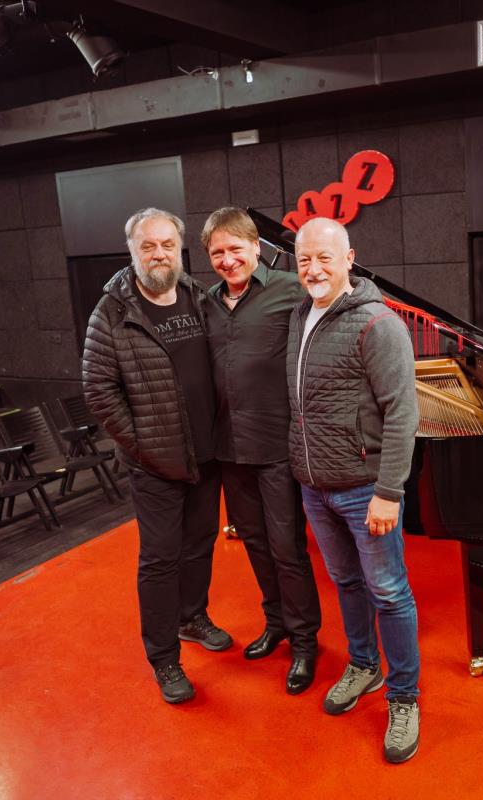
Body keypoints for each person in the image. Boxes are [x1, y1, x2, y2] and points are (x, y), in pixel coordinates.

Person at [82, 207, 232, 705]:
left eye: (167, 244)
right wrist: (144, 446)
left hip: (206, 454)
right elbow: (99, 391)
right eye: (148, 246)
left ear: (179, 248)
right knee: (161, 560)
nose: (159, 254)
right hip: (154, 464)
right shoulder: (111, 312)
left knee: (200, 544)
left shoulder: (197, 296)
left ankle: (193, 616)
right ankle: (165, 658)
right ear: (132, 252)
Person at [286, 216, 422, 763]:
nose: (313, 269)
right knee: (345, 581)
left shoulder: (378, 324)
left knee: (389, 592)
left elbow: (402, 412)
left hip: (365, 490)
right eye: (304, 260)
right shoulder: (300, 315)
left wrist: (389, 491)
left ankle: (404, 697)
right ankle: (364, 665)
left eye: (325, 257)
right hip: (315, 487)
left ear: (349, 258)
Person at [201, 207, 322, 695]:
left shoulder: (291, 290)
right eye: (217, 253)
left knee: (287, 548)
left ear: (256, 247)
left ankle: (305, 641)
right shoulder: (207, 302)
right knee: (254, 542)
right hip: (229, 448)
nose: (227, 260)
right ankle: (276, 623)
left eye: (235, 249)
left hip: (276, 446)